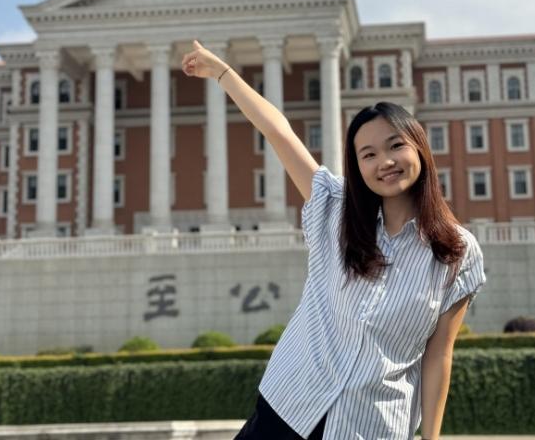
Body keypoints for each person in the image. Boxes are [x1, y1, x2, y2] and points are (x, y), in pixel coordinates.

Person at [181, 40, 486, 440]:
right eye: (368, 154)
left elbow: (438, 354)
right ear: (357, 166)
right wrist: (223, 74)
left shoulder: (457, 251)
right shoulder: (336, 209)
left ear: (419, 149)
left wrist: (430, 438)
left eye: (395, 146)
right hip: (288, 410)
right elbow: (278, 132)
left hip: (370, 427)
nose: (385, 162)